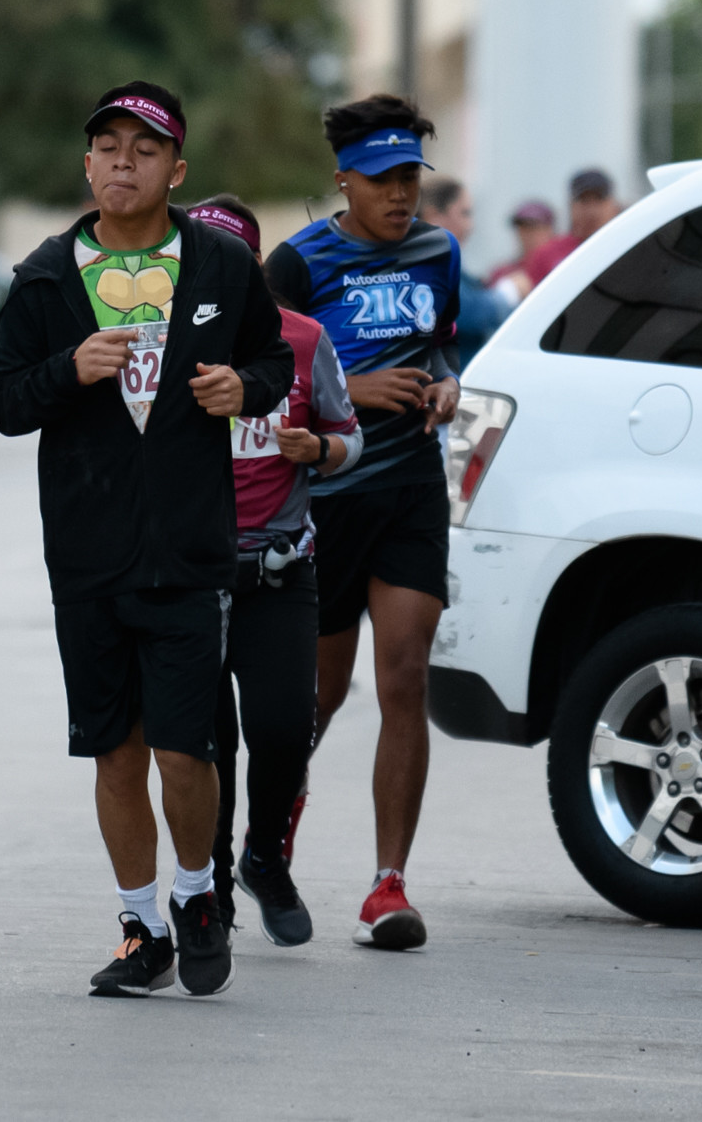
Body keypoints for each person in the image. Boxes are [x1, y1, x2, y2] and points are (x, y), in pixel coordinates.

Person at [0, 82, 293, 997]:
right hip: (86, 553)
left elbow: (274, 358)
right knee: (114, 750)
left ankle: (198, 892)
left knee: (182, 748)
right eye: (108, 146)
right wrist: (65, 371)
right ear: (87, 163)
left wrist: (247, 385)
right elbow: (4, 402)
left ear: (177, 170)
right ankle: (141, 924)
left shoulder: (221, 267)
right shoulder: (45, 275)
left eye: (144, 148)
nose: (124, 161)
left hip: (191, 550)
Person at [263, 94, 461, 951]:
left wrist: (445, 382)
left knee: (406, 676)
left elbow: (442, 343)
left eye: (411, 176)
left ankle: (389, 885)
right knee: (320, 695)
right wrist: (358, 391)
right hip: (328, 499)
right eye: (383, 178)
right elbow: (265, 384)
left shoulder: (439, 250)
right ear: (343, 178)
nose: (401, 194)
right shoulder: (296, 264)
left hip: (412, 489)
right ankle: (269, 835)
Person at [189, 195, 362, 949]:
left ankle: (266, 855)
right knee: (209, 743)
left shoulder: (302, 339)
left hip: (282, 567)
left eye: (234, 259)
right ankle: (217, 882)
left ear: (256, 265)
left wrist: (316, 452)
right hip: (196, 572)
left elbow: (349, 437)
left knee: (286, 727)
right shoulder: (167, 341)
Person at [418, 177, 514, 366]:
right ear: (433, 217)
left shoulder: (442, 260)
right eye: (465, 213)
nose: (470, 226)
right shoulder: (424, 262)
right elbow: (463, 310)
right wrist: (507, 294)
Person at [521, 168, 621, 287]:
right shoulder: (547, 255)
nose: (592, 210)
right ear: (571, 206)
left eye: (599, 199)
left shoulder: (627, 245)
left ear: (613, 204)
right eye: (584, 201)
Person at [487, 199, 556, 297]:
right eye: (522, 228)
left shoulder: (559, 268)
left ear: (550, 230)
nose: (526, 235)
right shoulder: (502, 273)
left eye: (533, 227)